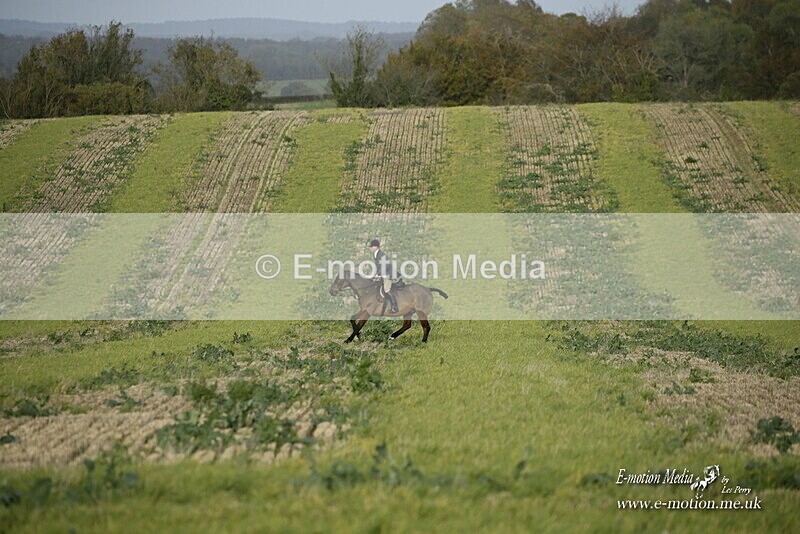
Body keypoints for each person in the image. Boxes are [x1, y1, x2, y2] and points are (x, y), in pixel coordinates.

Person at [369, 239, 398, 313]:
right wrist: (374, 275)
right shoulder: (376, 254)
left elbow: (386, 265)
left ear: (376, 247)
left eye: (372, 247)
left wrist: (378, 274)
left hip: (389, 274)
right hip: (383, 274)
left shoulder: (381, 254)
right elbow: (378, 266)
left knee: (386, 289)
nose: (370, 248)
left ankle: (395, 307)